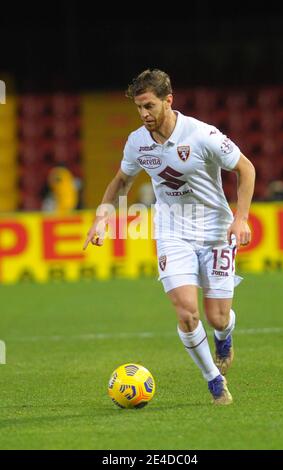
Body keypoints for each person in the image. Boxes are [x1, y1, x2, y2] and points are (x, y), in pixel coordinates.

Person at [83, 69, 255, 405]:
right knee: (187, 311)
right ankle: (214, 381)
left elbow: (245, 169)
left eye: (149, 105)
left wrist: (241, 218)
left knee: (218, 316)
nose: (144, 114)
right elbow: (121, 181)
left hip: (216, 232)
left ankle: (224, 335)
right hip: (172, 231)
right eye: (139, 108)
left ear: (168, 100)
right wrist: (102, 218)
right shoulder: (137, 142)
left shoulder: (202, 135)